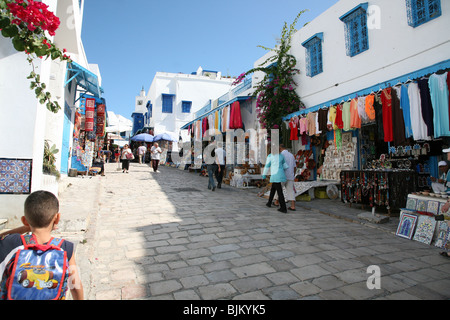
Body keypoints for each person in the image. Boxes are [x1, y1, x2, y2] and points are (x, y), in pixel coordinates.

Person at [0, 191, 84, 300]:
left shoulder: (10, 243)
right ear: (57, 218)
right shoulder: (65, 248)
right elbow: (75, 285)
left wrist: (26, 227)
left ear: (25, 220)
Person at [274, 144, 296, 211]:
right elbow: (294, 167)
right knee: (290, 191)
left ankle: (277, 202)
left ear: (280, 148)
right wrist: (293, 174)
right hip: (290, 176)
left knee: (279, 190)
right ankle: (293, 206)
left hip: (282, 176)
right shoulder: (291, 155)